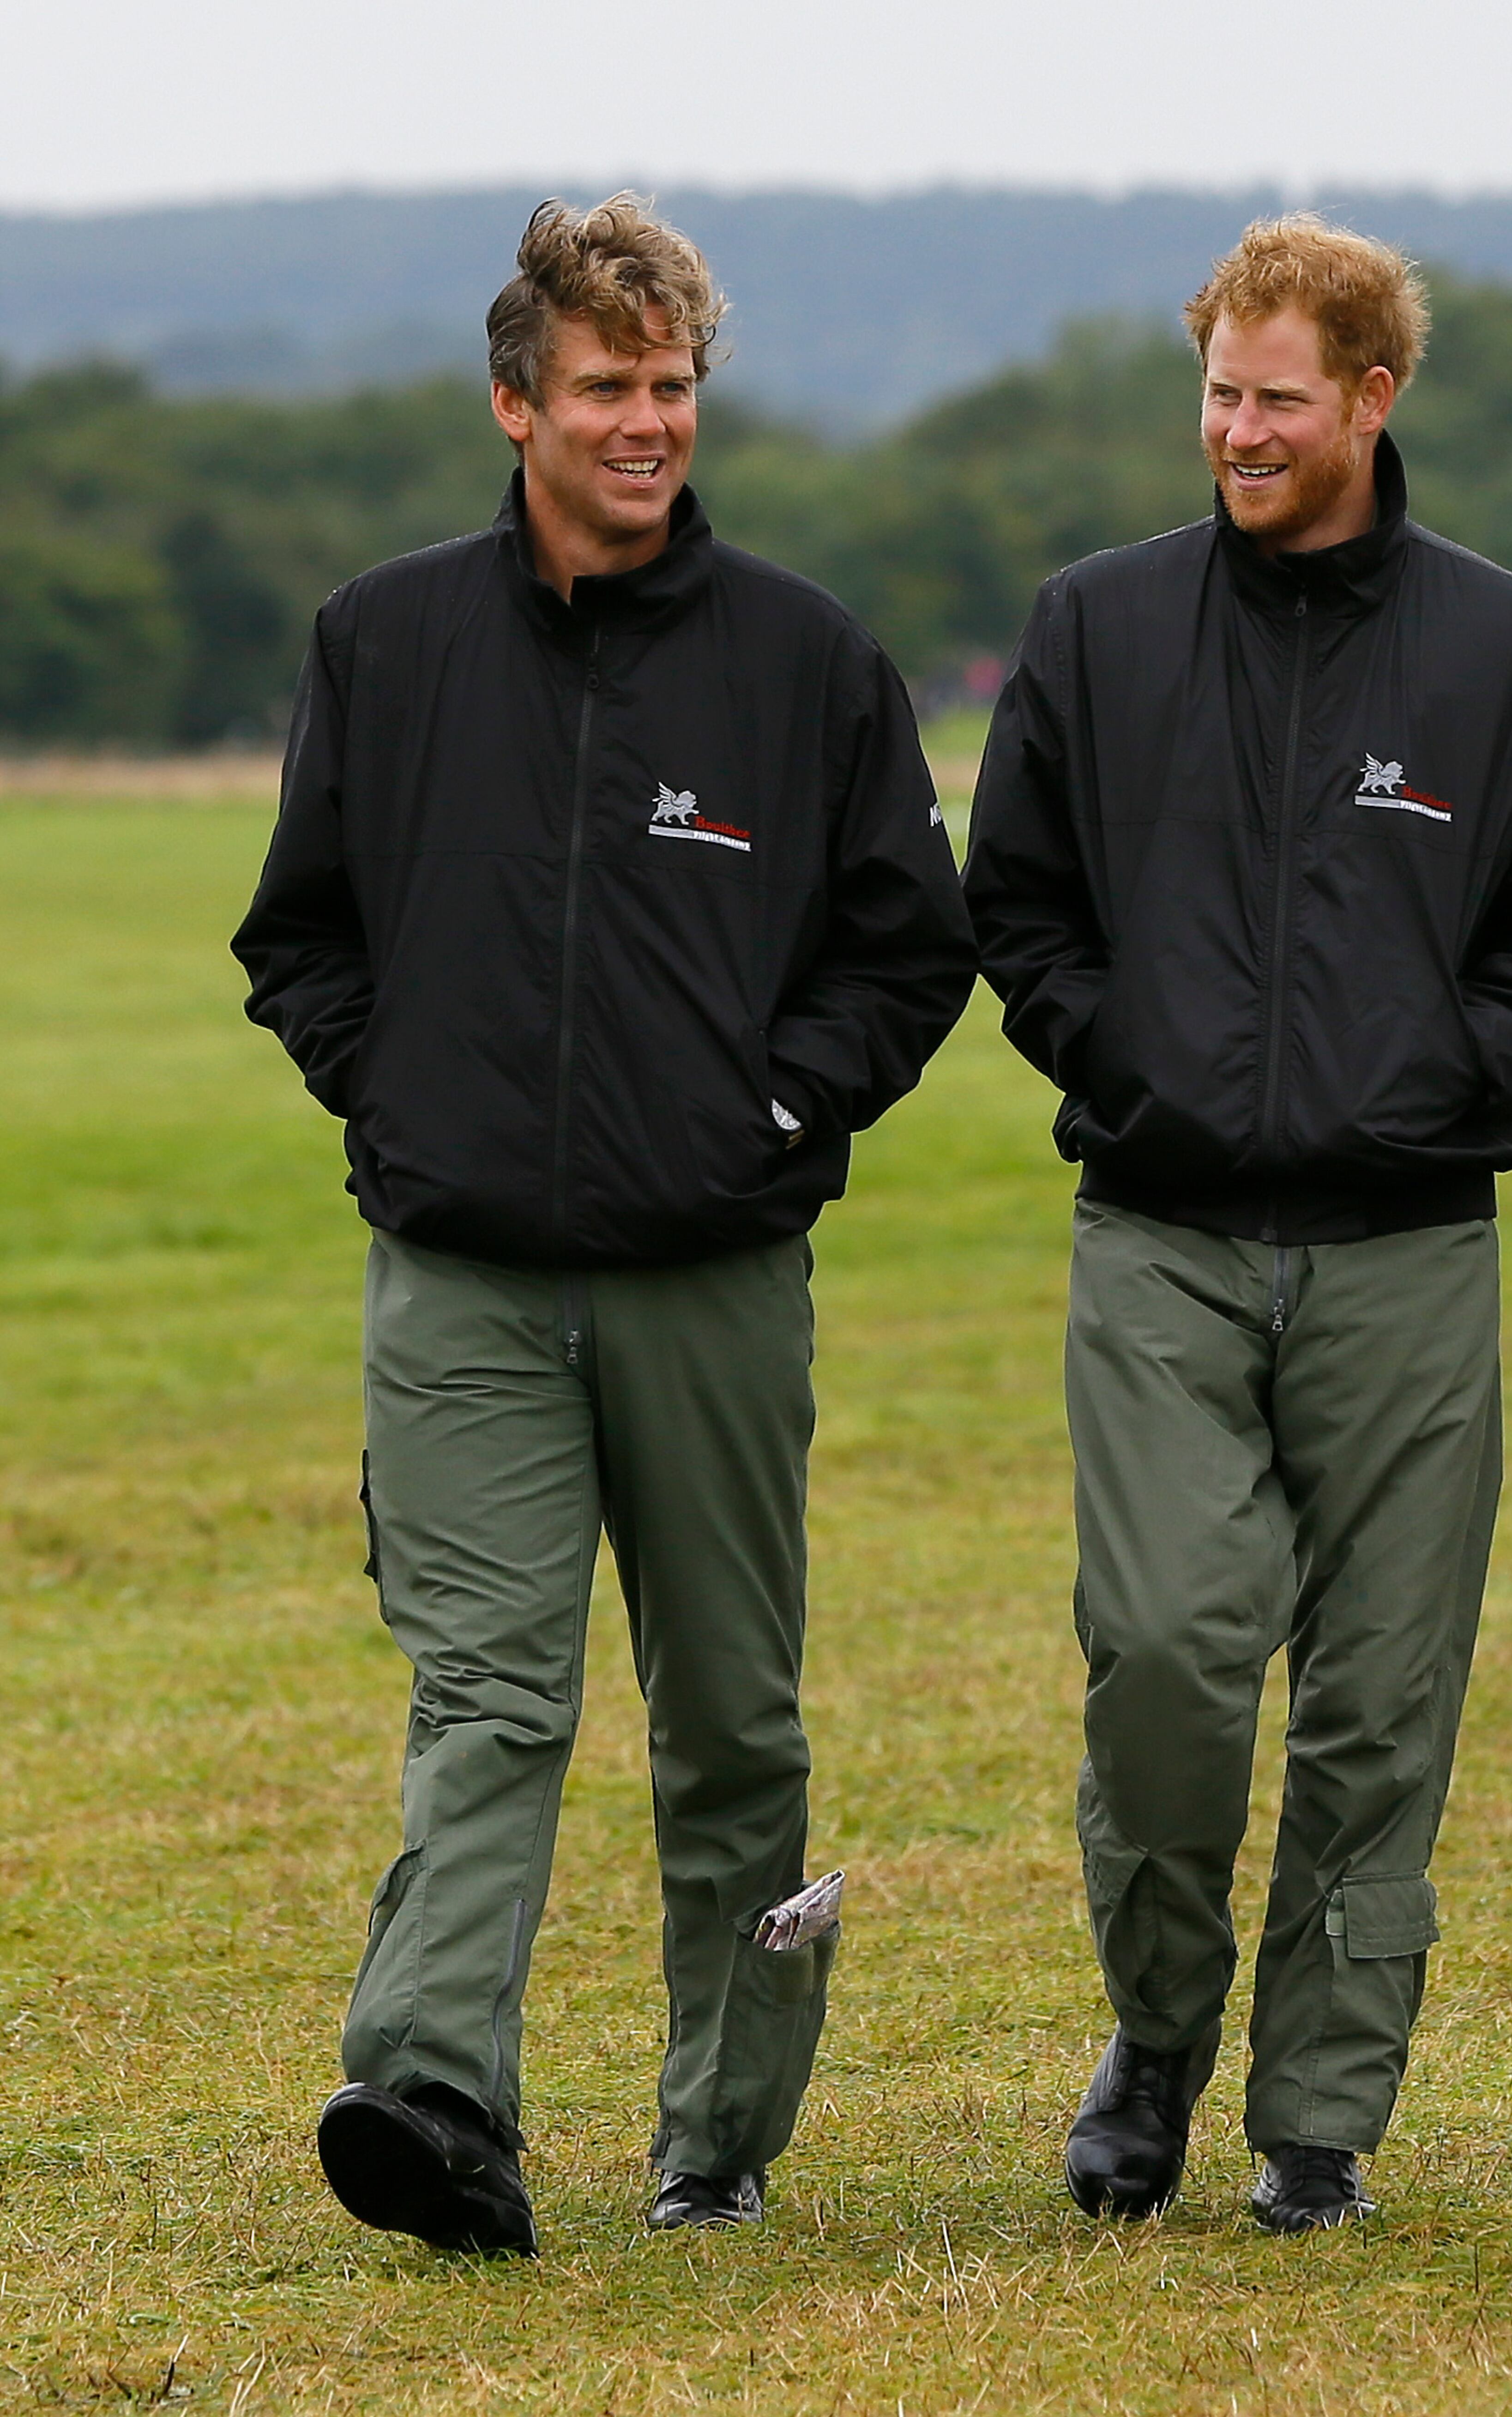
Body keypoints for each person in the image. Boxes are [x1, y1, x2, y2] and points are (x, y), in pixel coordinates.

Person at [233, 195, 975, 2254]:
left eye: (673, 388)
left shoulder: (810, 660)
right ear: (514, 402)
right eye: (606, 388)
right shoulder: (382, 642)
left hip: (714, 1278)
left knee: (735, 1713)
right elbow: (300, 936)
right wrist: (398, 1107)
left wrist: (770, 1109)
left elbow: (909, 955)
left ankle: (720, 2134)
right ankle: (435, 2094)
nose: (647, 423)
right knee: (492, 1694)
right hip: (460, 1274)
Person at [964, 216, 1512, 2234]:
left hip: (1409, 1250)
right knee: (1172, 1654)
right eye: (1217, 394)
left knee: (1382, 1693)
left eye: (1278, 399)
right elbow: (1013, 900)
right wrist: (1133, 1065)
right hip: (1161, 1233)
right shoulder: (1095, 632)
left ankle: (1319, 2121)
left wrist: (1450, 1076)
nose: (1239, 431)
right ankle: (1157, 2038)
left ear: (1372, 395)